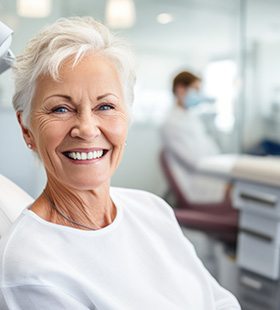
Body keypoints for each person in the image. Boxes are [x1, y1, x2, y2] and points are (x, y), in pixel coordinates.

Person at [0, 17, 240, 309]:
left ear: (126, 117)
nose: (87, 129)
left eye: (105, 106)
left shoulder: (152, 210)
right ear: (26, 129)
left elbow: (220, 301)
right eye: (61, 108)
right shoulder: (33, 269)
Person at [161, 71, 231, 203]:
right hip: (194, 184)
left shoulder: (191, 117)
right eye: (196, 90)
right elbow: (195, 162)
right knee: (239, 191)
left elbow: (209, 148)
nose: (199, 96)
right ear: (181, 89)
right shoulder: (171, 123)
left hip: (204, 176)